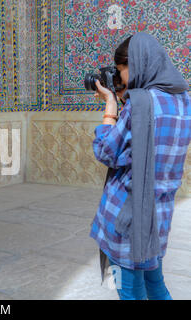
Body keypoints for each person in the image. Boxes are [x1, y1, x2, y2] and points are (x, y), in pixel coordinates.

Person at [90, 32, 190, 300]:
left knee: (129, 292)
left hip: (126, 217)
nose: (121, 78)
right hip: (158, 218)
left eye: (121, 69)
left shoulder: (140, 103)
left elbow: (107, 151)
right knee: (156, 284)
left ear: (135, 63)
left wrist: (111, 107)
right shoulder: (185, 101)